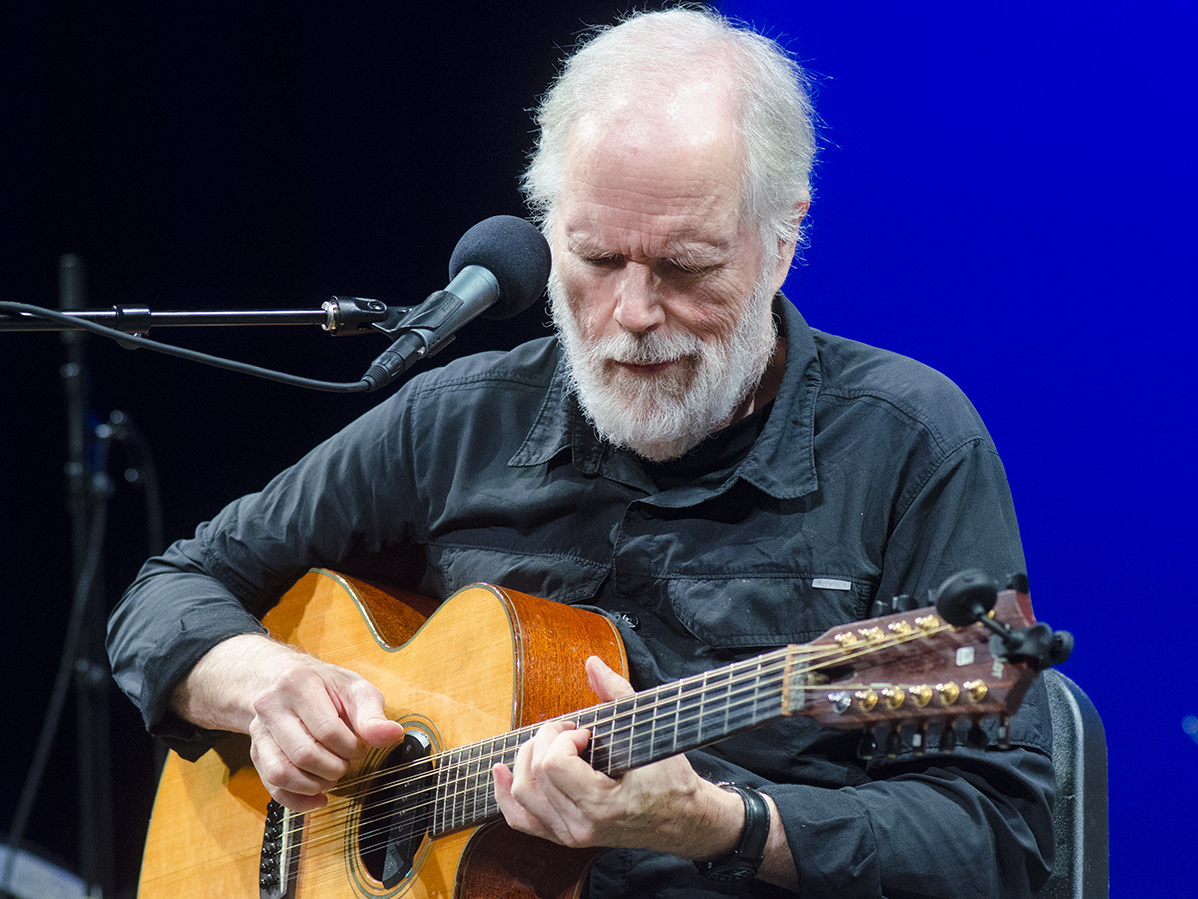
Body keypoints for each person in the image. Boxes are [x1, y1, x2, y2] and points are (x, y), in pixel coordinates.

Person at [108, 7, 1055, 897]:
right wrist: (267, 685)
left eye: (685, 266)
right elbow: (169, 589)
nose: (633, 313)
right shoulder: (456, 420)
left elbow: (999, 836)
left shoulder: (908, 441)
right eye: (596, 258)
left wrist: (726, 824)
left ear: (782, 241)